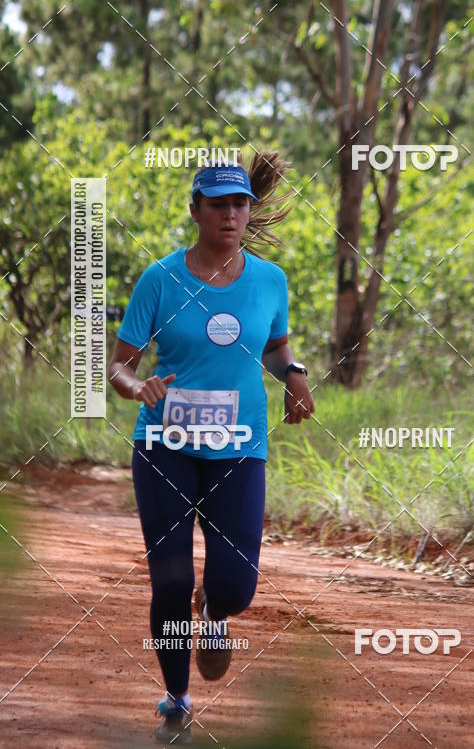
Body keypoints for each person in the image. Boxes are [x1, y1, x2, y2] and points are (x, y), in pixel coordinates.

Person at [107, 154, 315, 744]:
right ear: (195, 209)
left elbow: (276, 347)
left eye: (239, 204)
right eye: (218, 204)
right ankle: (176, 698)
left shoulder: (270, 280)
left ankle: (215, 611)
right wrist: (136, 385)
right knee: (168, 578)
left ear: (250, 211)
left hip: (240, 446)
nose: (229, 215)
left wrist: (294, 375)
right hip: (165, 444)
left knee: (237, 584)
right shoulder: (160, 278)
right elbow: (119, 366)